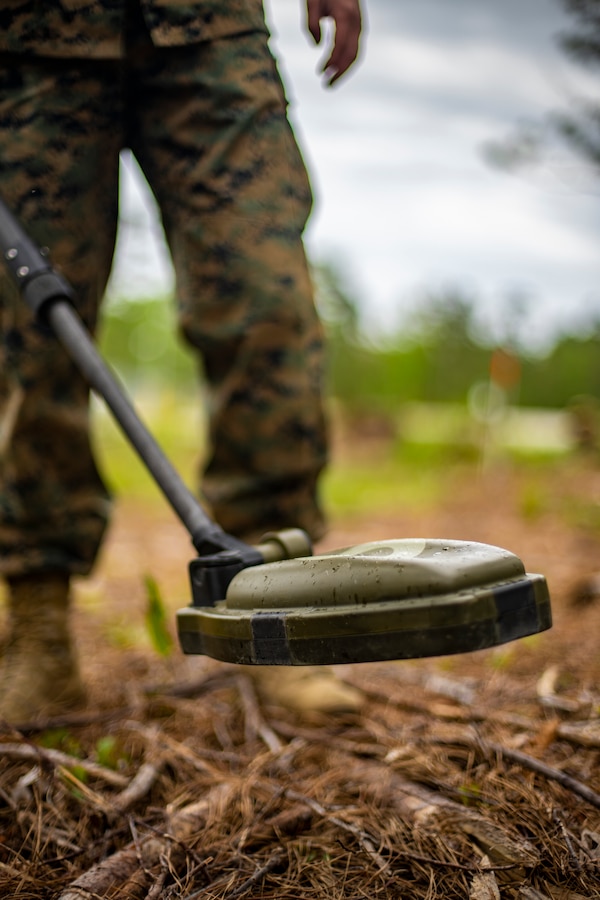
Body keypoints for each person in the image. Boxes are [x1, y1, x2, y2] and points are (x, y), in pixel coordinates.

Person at [0, 0, 364, 722]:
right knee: (26, 339)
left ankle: (277, 613)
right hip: (30, 36)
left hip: (209, 30)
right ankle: (35, 626)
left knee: (268, 306)